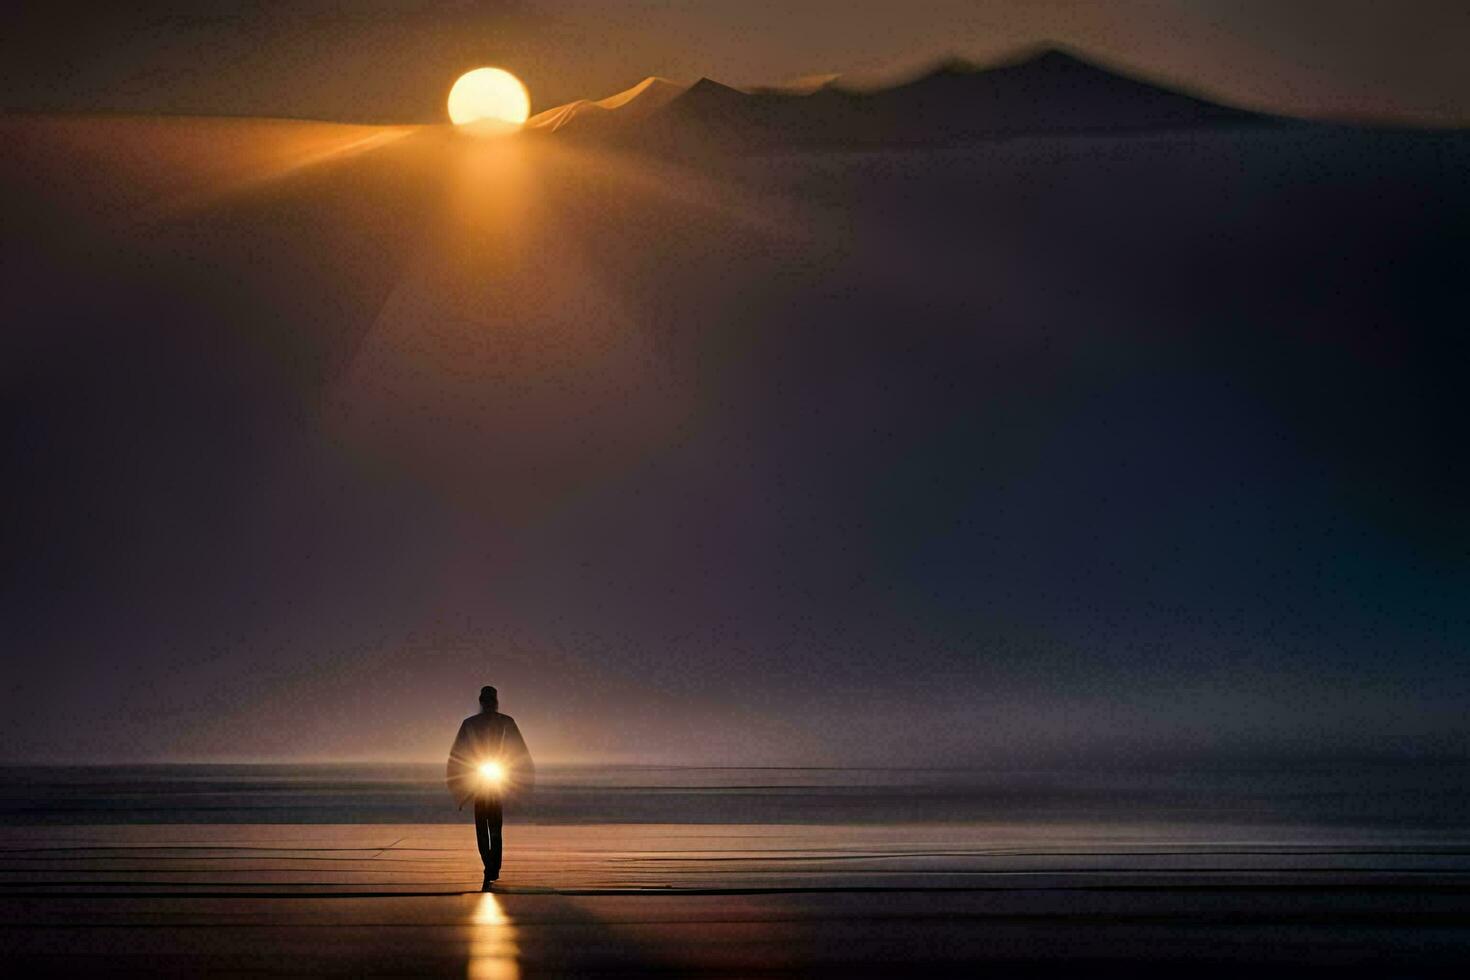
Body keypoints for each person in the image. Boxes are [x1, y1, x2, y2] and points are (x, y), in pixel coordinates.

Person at [446, 686, 533, 888]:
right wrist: (459, 786)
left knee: (493, 826)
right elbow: (457, 755)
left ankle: (493, 865)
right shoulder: (470, 724)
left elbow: (519, 751)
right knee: (484, 826)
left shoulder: (506, 723)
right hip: (478, 778)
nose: (488, 703)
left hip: (497, 776)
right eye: (486, 700)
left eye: (490, 700)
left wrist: (520, 782)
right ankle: (489, 864)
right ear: (483, 701)